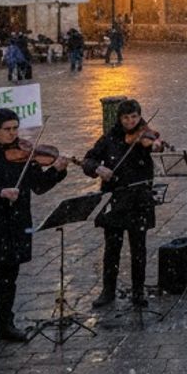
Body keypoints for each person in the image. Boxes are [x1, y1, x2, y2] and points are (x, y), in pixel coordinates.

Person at [0, 108, 69, 353]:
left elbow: (39, 186)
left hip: (15, 223)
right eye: (7, 129)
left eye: (15, 128)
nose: (13, 134)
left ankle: (5, 325)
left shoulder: (24, 155)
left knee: (9, 279)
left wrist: (57, 171)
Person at [81, 99, 158, 309]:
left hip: (139, 199)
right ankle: (108, 290)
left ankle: (138, 290)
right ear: (119, 119)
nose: (131, 122)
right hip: (114, 199)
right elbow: (88, 160)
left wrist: (157, 146)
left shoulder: (145, 136)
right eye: (126, 118)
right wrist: (98, 169)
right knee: (112, 247)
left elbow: (156, 148)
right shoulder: (108, 139)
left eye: (135, 117)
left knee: (139, 248)